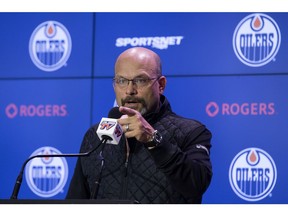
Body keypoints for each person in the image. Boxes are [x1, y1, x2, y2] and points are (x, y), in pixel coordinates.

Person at [66, 47, 212, 204]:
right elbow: (75, 202)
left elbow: (196, 185)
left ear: (161, 85)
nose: (129, 90)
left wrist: (153, 139)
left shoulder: (191, 132)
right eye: (121, 81)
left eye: (141, 80)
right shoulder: (94, 135)